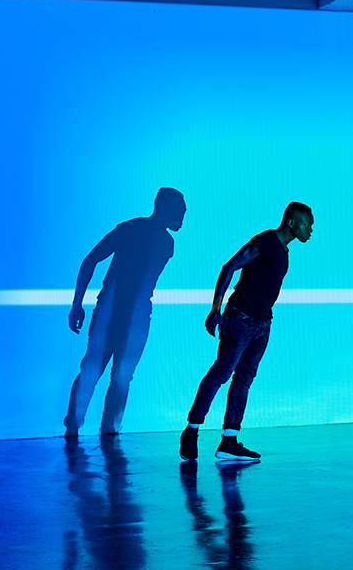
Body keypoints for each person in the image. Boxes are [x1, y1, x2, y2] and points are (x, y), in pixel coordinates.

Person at [180, 203, 313, 464]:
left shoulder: (283, 250)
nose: (310, 230)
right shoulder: (267, 241)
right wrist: (215, 310)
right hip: (240, 318)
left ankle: (229, 441)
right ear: (292, 223)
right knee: (220, 374)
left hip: (262, 324)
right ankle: (191, 431)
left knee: (243, 379)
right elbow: (229, 267)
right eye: (307, 224)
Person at [65, 187, 186, 436]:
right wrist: (76, 305)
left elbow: (90, 260)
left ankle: (79, 427)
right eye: (180, 211)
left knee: (96, 371)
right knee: (116, 376)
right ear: (166, 208)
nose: (183, 216)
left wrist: (77, 305)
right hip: (126, 314)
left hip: (116, 312)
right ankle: (105, 430)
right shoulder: (163, 242)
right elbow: (91, 260)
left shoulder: (134, 230)